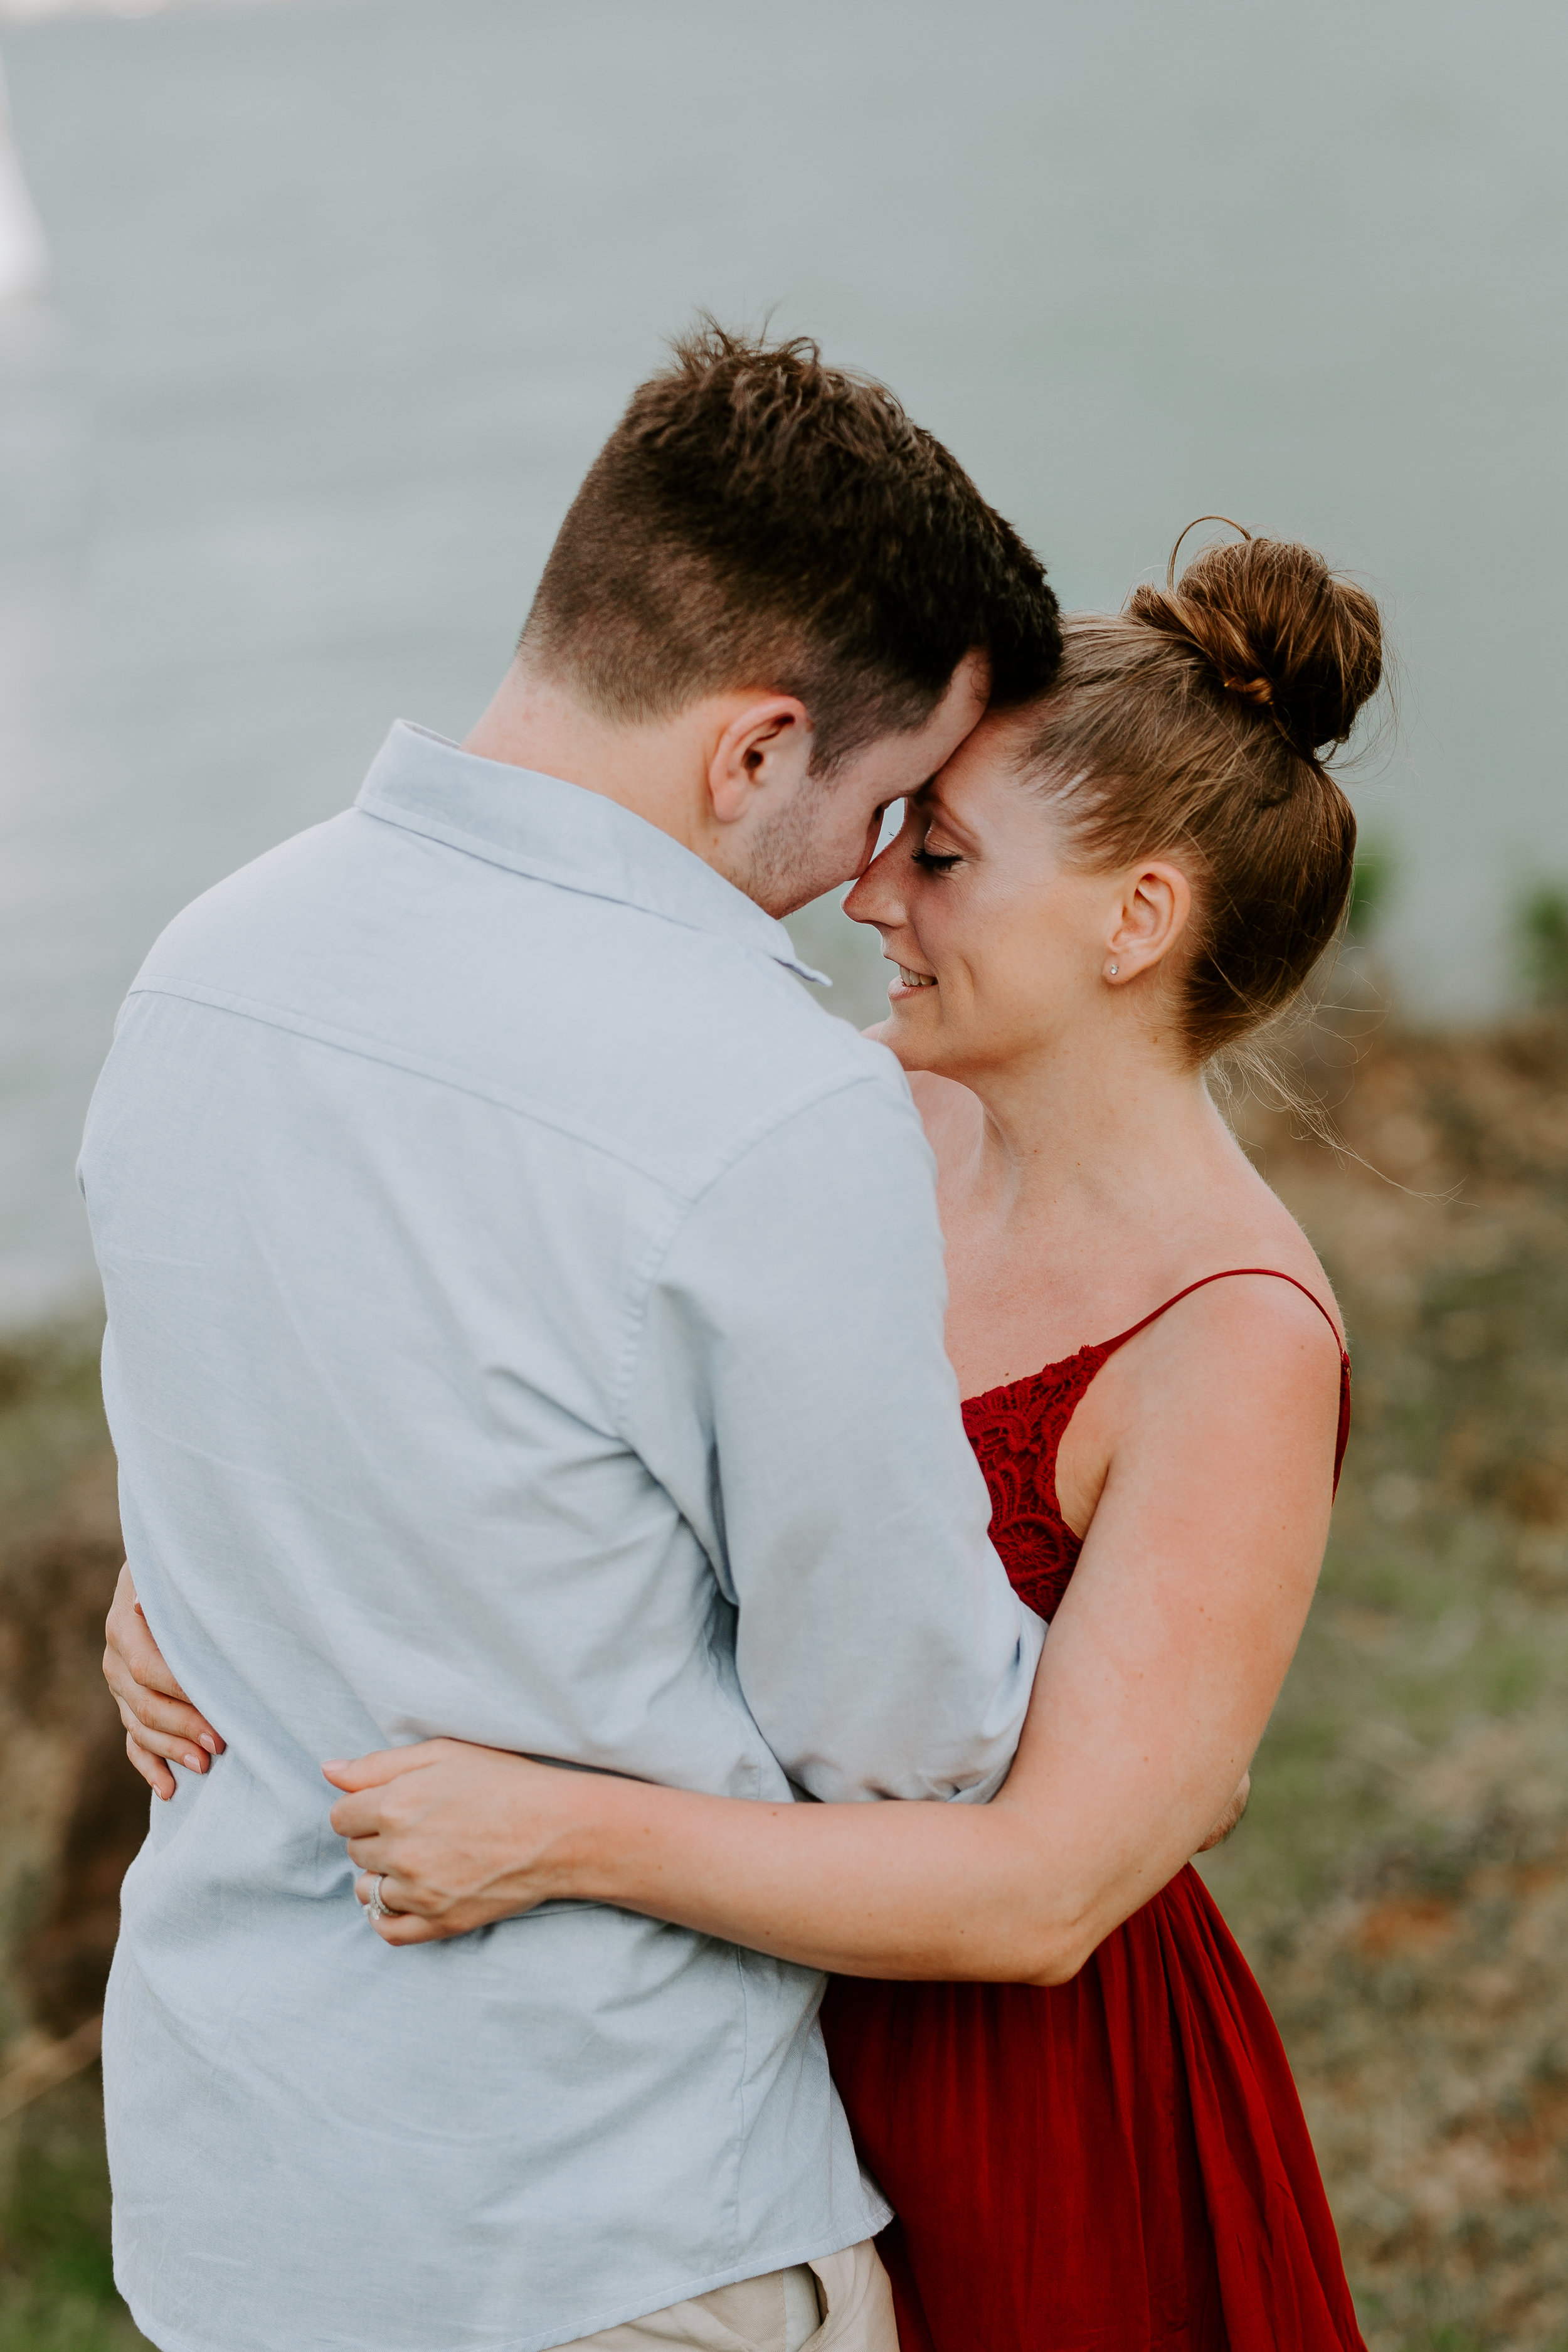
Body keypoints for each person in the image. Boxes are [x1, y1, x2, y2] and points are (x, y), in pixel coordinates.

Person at [134, 524, 1377, 2350]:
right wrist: (195, 1595)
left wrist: (564, 1838)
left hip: (1008, 2100)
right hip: (707, 2068)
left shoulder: (1234, 1340)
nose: (870, 895)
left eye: (938, 854)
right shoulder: (829, 1133)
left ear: (1137, 920)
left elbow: (1047, 1892)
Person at [83, 324, 1063, 2352]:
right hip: (599, 2221)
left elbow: (256, 1488)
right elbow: (907, 1739)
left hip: (231, 2190)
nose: (873, 883)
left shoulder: (206, 964)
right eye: (881, 806)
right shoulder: (762, 1099)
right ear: (754, 747)